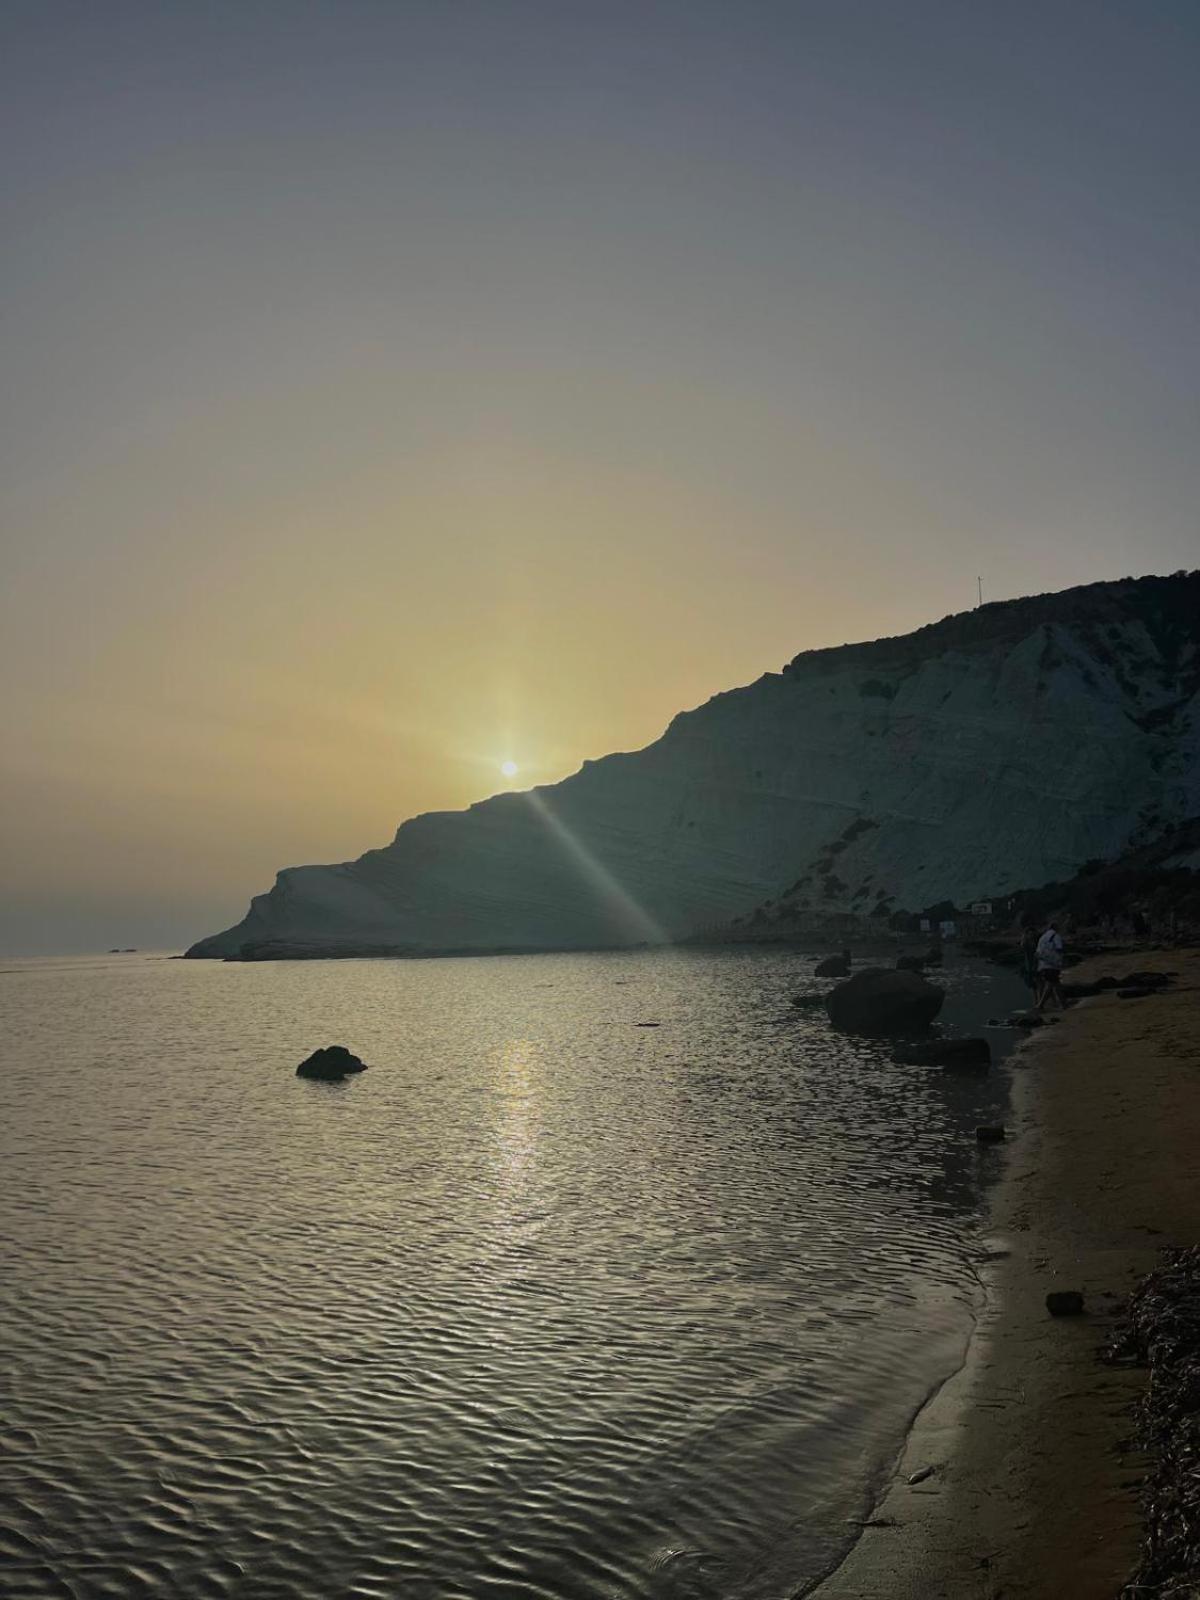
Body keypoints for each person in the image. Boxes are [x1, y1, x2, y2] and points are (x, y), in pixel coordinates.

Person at [1035, 920, 1065, 1010]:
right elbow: (1059, 948)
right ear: (1056, 927)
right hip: (1053, 963)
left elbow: (1038, 952)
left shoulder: (1042, 937)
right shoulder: (1056, 936)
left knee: (1055, 983)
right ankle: (1041, 1004)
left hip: (1043, 964)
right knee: (1051, 984)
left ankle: (1063, 1003)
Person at [1018, 925, 1039, 992]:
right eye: (1030, 934)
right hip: (1030, 965)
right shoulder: (1026, 943)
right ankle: (1037, 1000)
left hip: (1036, 964)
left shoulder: (1037, 941)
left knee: (1038, 983)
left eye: (1032, 934)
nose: (1031, 935)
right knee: (1033, 985)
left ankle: (1039, 1000)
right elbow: (1022, 945)